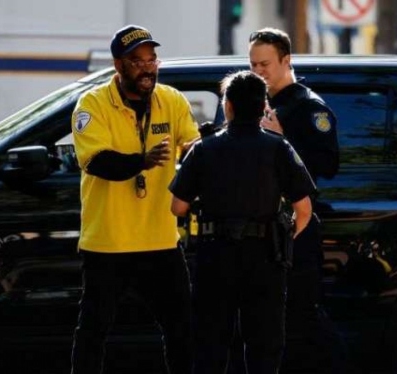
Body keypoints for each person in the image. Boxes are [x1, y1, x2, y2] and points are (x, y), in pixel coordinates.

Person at [70, 25, 199, 374]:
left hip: (160, 241)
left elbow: (192, 150)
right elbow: (98, 163)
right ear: (119, 65)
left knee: (181, 329)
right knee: (93, 332)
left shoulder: (171, 100)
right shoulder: (92, 104)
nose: (147, 67)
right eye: (137, 61)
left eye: (151, 59)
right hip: (108, 243)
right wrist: (142, 161)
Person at [169, 70, 315, 374]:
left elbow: (178, 207)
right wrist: (283, 237)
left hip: (215, 256)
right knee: (264, 345)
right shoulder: (279, 148)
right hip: (265, 257)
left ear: (228, 106)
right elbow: (304, 210)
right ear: (264, 106)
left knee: (210, 344)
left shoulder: (204, 149)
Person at [248, 27, 342, 373]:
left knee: (301, 316)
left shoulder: (307, 107)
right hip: (259, 226)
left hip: (296, 228)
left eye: (265, 64)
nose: (258, 71)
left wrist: (281, 141)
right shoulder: (256, 102)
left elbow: (327, 165)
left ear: (286, 61)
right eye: (253, 64)